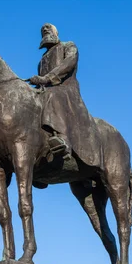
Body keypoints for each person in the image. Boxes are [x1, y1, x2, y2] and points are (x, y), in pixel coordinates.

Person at [28, 23, 101, 166]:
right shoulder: (42, 60)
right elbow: (42, 81)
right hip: (46, 90)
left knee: (51, 95)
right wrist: (37, 82)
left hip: (65, 89)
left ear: (56, 32)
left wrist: (47, 78)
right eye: (42, 31)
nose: (45, 31)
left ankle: (63, 139)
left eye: (48, 29)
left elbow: (69, 63)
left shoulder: (68, 46)